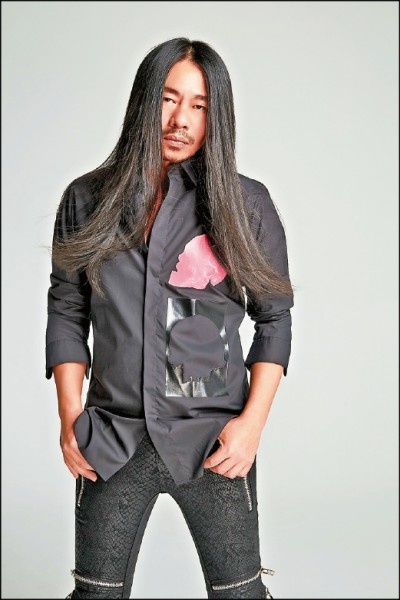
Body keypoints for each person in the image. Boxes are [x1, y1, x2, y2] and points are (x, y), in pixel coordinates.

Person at [46, 37, 293, 599]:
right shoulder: (86, 199)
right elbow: (66, 309)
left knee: (240, 594)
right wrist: (69, 418)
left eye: (199, 105)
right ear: (144, 101)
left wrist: (251, 427)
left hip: (214, 440)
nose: (181, 119)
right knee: (96, 594)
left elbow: (274, 320)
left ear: (215, 116)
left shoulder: (246, 204)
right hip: (113, 438)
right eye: (168, 98)